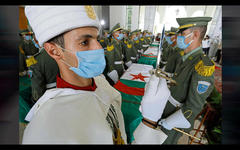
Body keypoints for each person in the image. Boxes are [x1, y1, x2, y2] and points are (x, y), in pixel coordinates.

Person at [22, 6, 172, 144]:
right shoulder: (47, 129)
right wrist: (149, 124)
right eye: (84, 42)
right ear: (54, 51)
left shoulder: (100, 82)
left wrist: (149, 120)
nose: (99, 48)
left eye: (97, 39)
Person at [155, 17, 216, 144]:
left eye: (182, 33)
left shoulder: (202, 66)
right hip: (166, 107)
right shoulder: (185, 57)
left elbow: (193, 106)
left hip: (176, 117)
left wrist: (169, 121)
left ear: (195, 35)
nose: (178, 37)